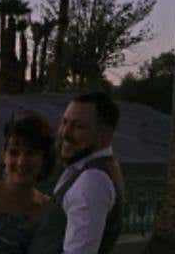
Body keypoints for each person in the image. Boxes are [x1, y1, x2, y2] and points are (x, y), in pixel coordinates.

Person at [27, 93, 125, 254]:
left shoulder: (92, 180)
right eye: (64, 122)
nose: (65, 133)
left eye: (78, 126)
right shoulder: (94, 168)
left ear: (104, 135)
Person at [0, 113, 55, 254]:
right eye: (14, 153)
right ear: (4, 155)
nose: (21, 162)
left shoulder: (50, 210)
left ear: (44, 159)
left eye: (31, 153)